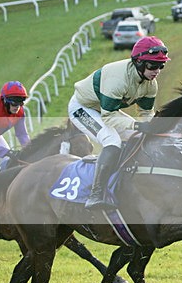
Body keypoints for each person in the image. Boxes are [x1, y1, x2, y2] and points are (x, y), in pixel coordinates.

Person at [68, 36, 170, 209]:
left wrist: (154, 128)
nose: (157, 71)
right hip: (82, 108)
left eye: (161, 66)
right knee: (112, 140)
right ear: (139, 62)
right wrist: (138, 125)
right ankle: (96, 194)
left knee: (138, 136)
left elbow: (146, 112)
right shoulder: (118, 79)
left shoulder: (150, 84)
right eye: (153, 65)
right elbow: (108, 117)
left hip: (105, 109)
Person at [0, 81, 30, 172]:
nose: (17, 107)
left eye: (20, 102)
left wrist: (29, 149)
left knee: (8, 164)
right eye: (14, 103)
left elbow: (22, 134)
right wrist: (6, 152)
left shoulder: (20, 113)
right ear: (5, 100)